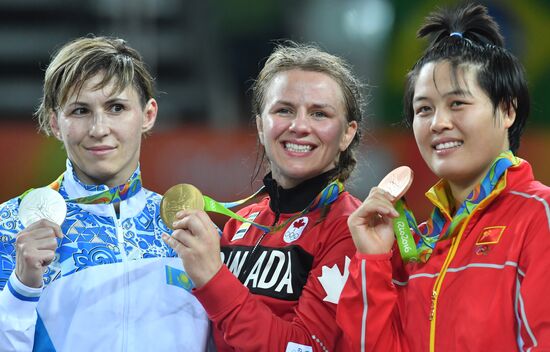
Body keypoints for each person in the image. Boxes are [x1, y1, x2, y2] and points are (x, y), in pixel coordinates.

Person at [337, 3, 550, 351]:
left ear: (508, 109)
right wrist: (373, 260)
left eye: (457, 104)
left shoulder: (539, 214)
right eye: (424, 109)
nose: (438, 123)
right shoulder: (417, 245)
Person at [0, 36, 210, 351]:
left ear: (148, 114)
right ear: (56, 123)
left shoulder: (194, 234)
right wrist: (20, 289)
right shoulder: (9, 228)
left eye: (116, 108)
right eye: (81, 110)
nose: (99, 129)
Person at [163, 42, 365, 351]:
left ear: (347, 133)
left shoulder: (352, 230)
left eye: (319, 114)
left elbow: (304, 347)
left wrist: (214, 277)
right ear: (260, 126)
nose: (299, 126)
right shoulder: (239, 225)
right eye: (284, 110)